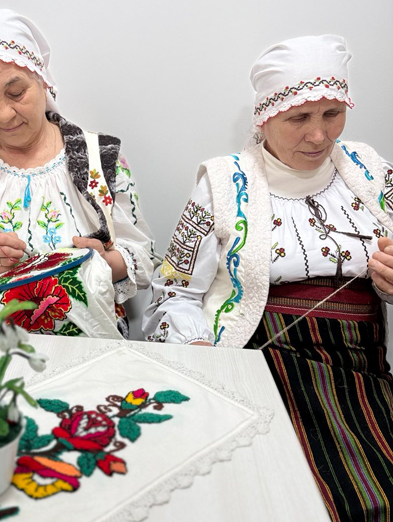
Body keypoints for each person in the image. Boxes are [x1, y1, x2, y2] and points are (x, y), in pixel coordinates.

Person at [143, 35, 393, 521]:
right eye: (299, 119)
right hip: (260, 361)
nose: (319, 136)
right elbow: (172, 292)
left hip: (358, 369)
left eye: (332, 114)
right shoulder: (223, 183)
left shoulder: (372, 172)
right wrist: (200, 353)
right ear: (265, 117)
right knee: (278, 494)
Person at [0, 9, 157, 338]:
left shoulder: (99, 158)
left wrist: (103, 263)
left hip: (89, 347)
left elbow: (143, 260)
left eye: (16, 93)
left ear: (42, 79)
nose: (4, 114)